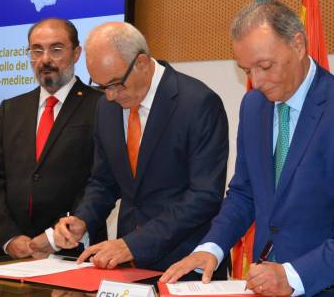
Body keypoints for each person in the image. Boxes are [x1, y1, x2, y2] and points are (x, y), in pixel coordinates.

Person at [161, 0, 334, 296]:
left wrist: (294, 275)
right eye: (247, 70)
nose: (256, 82)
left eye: (265, 66)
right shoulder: (254, 106)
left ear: (297, 44)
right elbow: (245, 192)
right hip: (266, 285)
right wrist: (212, 247)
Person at [52, 22, 229, 275]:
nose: (110, 96)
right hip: (128, 267)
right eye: (102, 86)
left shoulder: (198, 103)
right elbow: (103, 181)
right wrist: (83, 219)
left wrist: (133, 245)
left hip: (185, 265)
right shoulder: (106, 108)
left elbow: (204, 196)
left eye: (115, 84)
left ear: (142, 63)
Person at [0, 18, 103, 258]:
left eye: (56, 49)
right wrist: (10, 237)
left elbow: (101, 179)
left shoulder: (101, 105)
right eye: (36, 50)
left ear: (77, 53)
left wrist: (55, 237)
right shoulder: (11, 109)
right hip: (13, 251)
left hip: (73, 250)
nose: (45, 59)